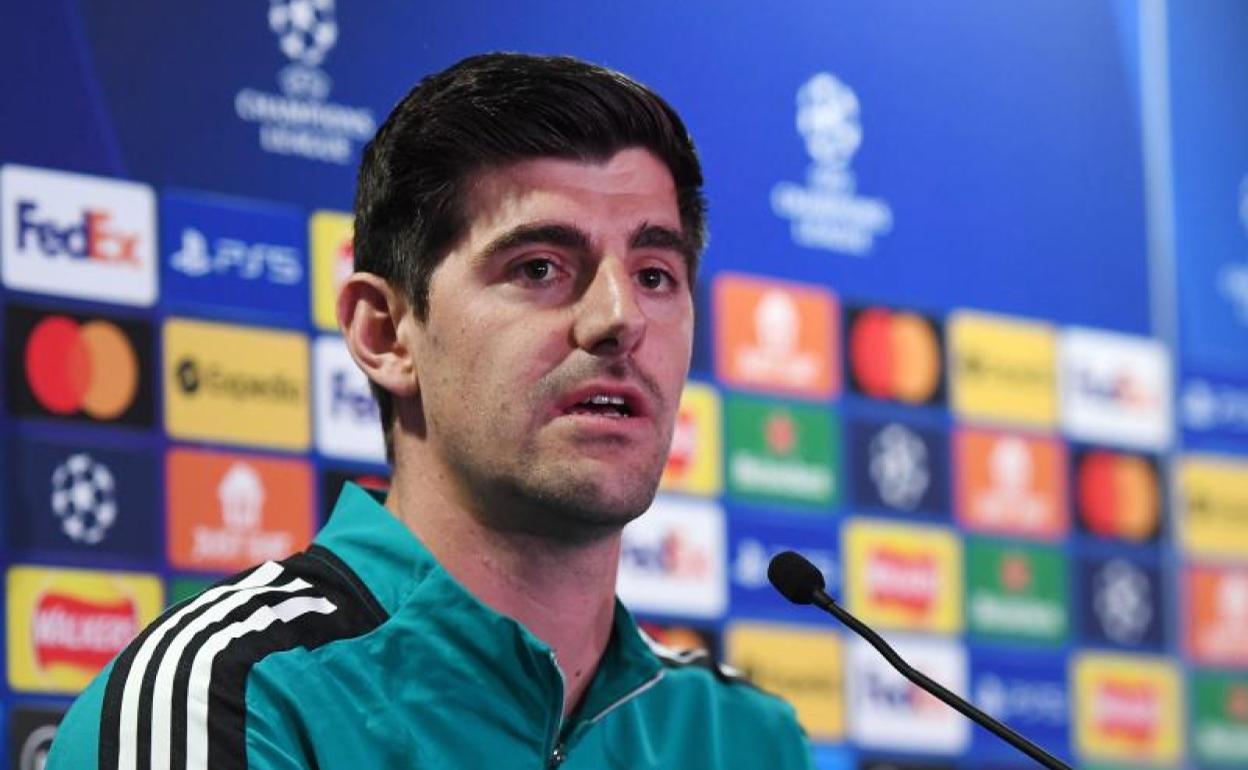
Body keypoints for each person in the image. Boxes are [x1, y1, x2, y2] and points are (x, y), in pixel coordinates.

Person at [48, 52, 814, 769]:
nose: (619, 318)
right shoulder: (229, 695)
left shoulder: (744, 736)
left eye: (654, 274)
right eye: (539, 267)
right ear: (385, 333)